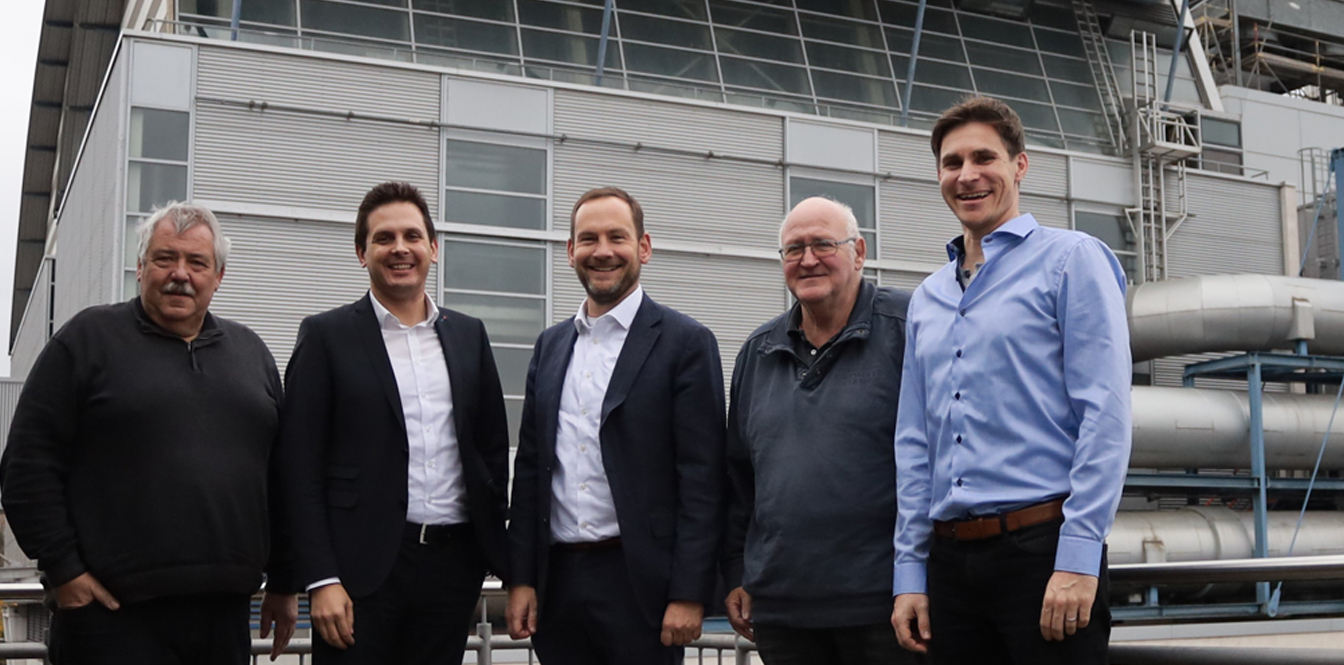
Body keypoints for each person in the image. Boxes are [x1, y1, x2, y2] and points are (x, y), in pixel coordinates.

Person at [0, 202, 297, 664]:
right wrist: (64, 572)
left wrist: (283, 578)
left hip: (224, 619)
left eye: (197, 262)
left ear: (218, 276)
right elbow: (26, 467)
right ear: (140, 267)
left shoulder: (251, 353)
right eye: (165, 258)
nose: (180, 273)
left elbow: (280, 477)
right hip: (109, 619)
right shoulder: (86, 342)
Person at [891, 96, 1132, 664]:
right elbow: (914, 443)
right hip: (948, 567)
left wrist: (1077, 556)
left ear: (1020, 165)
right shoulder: (928, 298)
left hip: (1043, 553)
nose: (967, 175)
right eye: (952, 163)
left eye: (984, 157)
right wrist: (910, 571)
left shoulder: (1072, 260)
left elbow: (1105, 414)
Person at [277, 181, 510, 664]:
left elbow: (489, 452)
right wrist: (321, 578)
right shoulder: (326, 336)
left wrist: (491, 555)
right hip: (357, 576)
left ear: (433, 249)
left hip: (451, 571)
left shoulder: (469, 335)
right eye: (384, 238)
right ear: (361, 252)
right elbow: (297, 468)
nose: (400, 248)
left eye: (412, 236)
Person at [505, 186, 726, 665]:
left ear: (643, 247)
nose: (602, 251)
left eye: (616, 237)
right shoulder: (549, 346)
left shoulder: (686, 343)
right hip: (558, 586)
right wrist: (520, 578)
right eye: (588, 239)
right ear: (570, 253)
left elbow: (703, 479)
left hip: (641, 587)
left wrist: (689, 592)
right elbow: (531, 472)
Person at [724, 196, 921, 665]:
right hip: (782, 613)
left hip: (886, 608)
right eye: (793, 250)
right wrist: (735, 572)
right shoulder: (758, 351)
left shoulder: (910, 328)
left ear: (860, 252)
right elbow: (737, 478)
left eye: (823, 244)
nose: (808, 260)